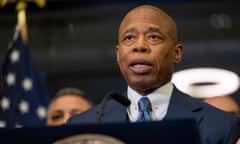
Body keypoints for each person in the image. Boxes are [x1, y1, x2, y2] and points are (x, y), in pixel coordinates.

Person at [68, 5, 240, 143]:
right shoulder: (82, 128)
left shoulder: (220, 126)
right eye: (129, 38)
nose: (139, 46)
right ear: (118, 54)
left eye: (153, 37)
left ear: (176, 53)